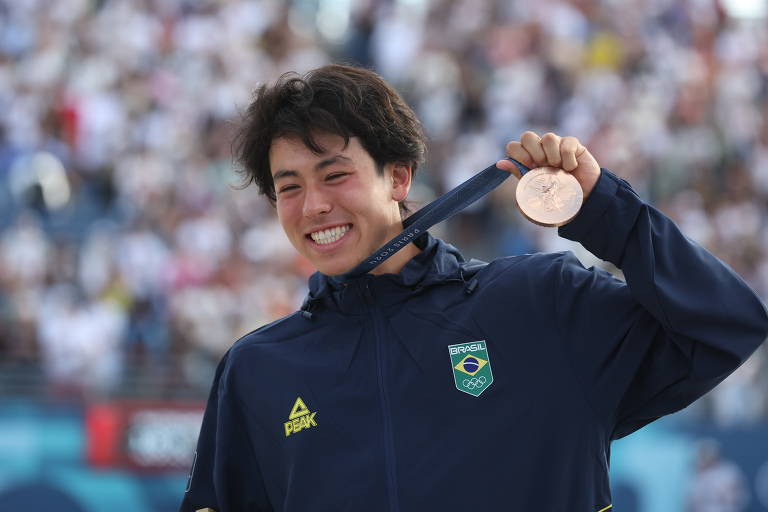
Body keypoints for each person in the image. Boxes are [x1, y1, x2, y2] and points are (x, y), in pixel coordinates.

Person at [180, 64, 767, 512]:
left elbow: (723, 325)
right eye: (289, 187)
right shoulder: (256, 371)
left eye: (336, 174)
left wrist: (606, 211)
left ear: (399, 177)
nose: (314, 205)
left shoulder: (539, 305)